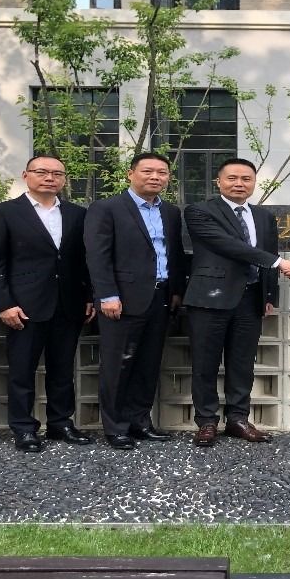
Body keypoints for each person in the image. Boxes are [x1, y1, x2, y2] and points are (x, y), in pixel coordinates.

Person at [183, 158, 290, 447]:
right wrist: (280, 263)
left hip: (250, 299)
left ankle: (238, 419)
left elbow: (269, 251)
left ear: (254, 182)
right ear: (219, 182)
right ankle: (207, 421)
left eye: (246, 179)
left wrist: (269, 296)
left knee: (242, 363)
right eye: (232, 178)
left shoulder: (263, 216)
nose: (239, 184)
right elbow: (228, 245)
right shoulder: (199, 211)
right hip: (210, 298)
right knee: (205, 363)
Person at [0, 154, 95, 452]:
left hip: (68, 303)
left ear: (64, 179)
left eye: (57, 173)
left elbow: (83, 261)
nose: (49, 178)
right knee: (22, 370)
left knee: (62, 369)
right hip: (23, 306)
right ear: (26, 175)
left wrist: (88, 296)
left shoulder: (77, 213)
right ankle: (23, 428)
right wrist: (3, 304)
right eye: (42, 172)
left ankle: (61, 422)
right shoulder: (4, 212)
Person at [85, 152, 187, 450]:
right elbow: (97, 255)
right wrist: (107, 295)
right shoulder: (107, 208)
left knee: (148, 363)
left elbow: (174, 253)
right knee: (118, 364)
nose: (155, 177)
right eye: (148, 171)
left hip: (161, 297)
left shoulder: (171, 212)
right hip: (122, 299)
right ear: (131, 174)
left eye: (162, 172)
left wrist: (176, 290)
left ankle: (140, 421)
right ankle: (115, 427)